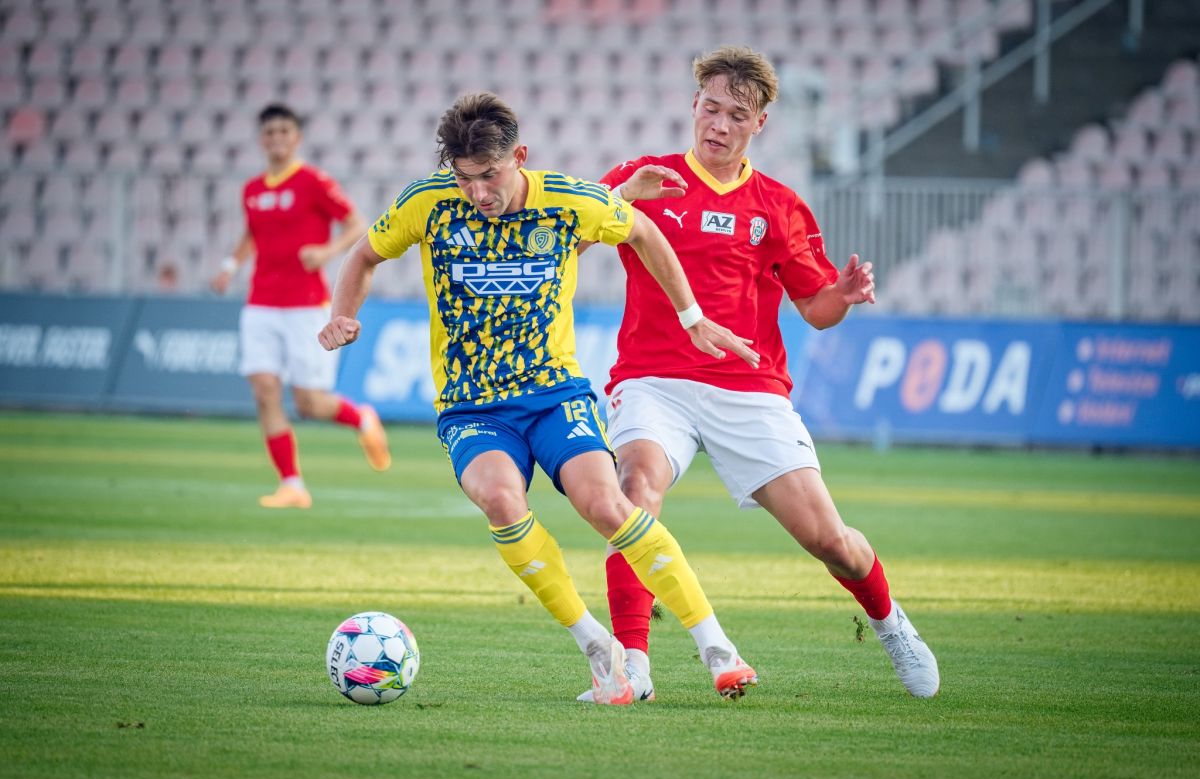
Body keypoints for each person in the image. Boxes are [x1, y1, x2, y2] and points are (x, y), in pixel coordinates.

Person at [319, 92, 761, 703]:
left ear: (519, 157)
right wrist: (342, 314)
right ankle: (598, 649)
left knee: (606, 505)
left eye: (490, 175)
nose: (478, 193)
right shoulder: (427, 202)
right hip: (472, 406)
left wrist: (692, 317)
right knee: (501, 500)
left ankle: (717, 647)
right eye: (465, 178)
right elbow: (364, 254)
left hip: (554, 394)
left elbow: (643, 231)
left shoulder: (569, 201)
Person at [577, 46, 939, 702]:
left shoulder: (778, 206)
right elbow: (567, 241)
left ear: (760, 124)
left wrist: (843, 296)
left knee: (831, 541)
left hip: (748, 387)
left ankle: (892, 624)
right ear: (694, 105)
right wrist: (621, 197)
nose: (718, 124)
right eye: (710, 108)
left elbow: (815, 309)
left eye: (736, 116)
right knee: (634, 490)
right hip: (653, 379)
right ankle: (633, 663)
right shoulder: (643, 177)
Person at [211, 103, 390, 509]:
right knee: (264, 390)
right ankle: (292, 484)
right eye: (270, 132)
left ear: (296, 138)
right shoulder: (252, 190)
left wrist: (327, 252)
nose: (277, 138)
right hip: (260, 303)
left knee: (309, 403)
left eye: (284, 131)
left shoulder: (313, 182)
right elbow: (252, 235)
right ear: (262, 139)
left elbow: (357, 224)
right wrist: (229, 267)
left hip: (306, 304)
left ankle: (362, 419)